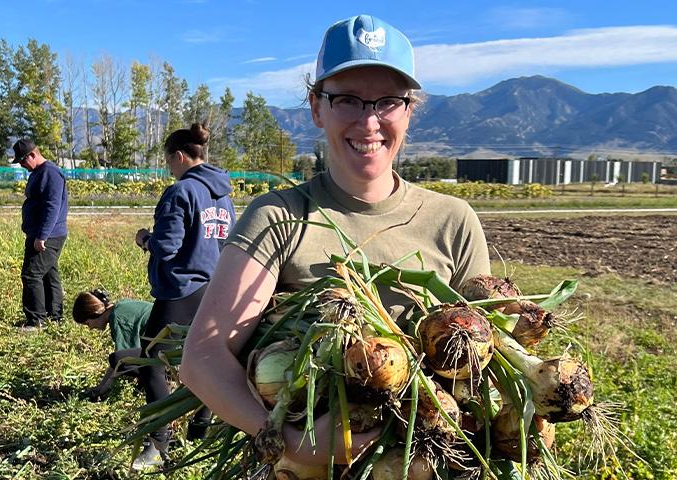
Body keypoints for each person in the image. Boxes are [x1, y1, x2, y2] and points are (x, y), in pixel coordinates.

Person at [178, 14, 491, 468]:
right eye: (347, 99)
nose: (369, 121)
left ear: (410, 110)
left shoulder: (454, 221)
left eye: (388, 101)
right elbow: (203, 357)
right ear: (316, 107)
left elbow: (481, 360)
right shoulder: (279, 216)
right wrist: (292, 442)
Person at [133, 122, 234, 465]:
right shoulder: (223, 194)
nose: (169, 168)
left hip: (180, 288)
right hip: (214, 286)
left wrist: (145, 238)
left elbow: (168, 245)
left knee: (149, 361)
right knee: (207, 359)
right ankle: (201, 427)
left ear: (178, 156)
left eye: (168, 161)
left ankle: (159, 442)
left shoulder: (181, 192)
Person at [13, 138, 69, 329]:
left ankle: (36, 321)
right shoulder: (38, 173)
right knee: (48, 274)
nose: (21, 165)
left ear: (32, 155)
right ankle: (55, 316)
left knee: (31, 275)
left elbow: (52, 207)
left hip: (48, 235)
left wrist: (42, 236)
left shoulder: (50, 173)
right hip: (41, 233)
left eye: (22, 160)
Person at [71, 289, 154, 400]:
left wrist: (104, 389)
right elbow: (120, 356)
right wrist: (101, 385)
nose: (90, 328)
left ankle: (156, 379)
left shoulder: (118, 319)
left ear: (95, 314)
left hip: (169, 349)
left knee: (119, 360)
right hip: (168, 339)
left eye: (88, 323)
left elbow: (122, 362)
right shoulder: (120, 307)